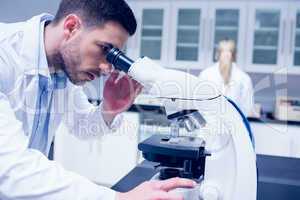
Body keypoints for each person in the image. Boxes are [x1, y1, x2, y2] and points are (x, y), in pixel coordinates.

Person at [0, 0, 195, 199]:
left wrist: (109, 109)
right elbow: (10, 169)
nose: (107, 67)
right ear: (71, 27)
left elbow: (81, 126)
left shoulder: (62, 71)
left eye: (113, 56)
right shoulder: (5, 55)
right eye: (104, 49)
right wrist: (118, 198)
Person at [199, 40, 254, 116]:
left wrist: (236, 120)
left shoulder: (244, 78)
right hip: (210, 122)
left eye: (229, 51)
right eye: (223, 51)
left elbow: (247, 106)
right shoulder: (206, 75)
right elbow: (199, 101)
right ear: (217, 54)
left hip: (234, 124)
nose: (226, 55)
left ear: (234, 55)